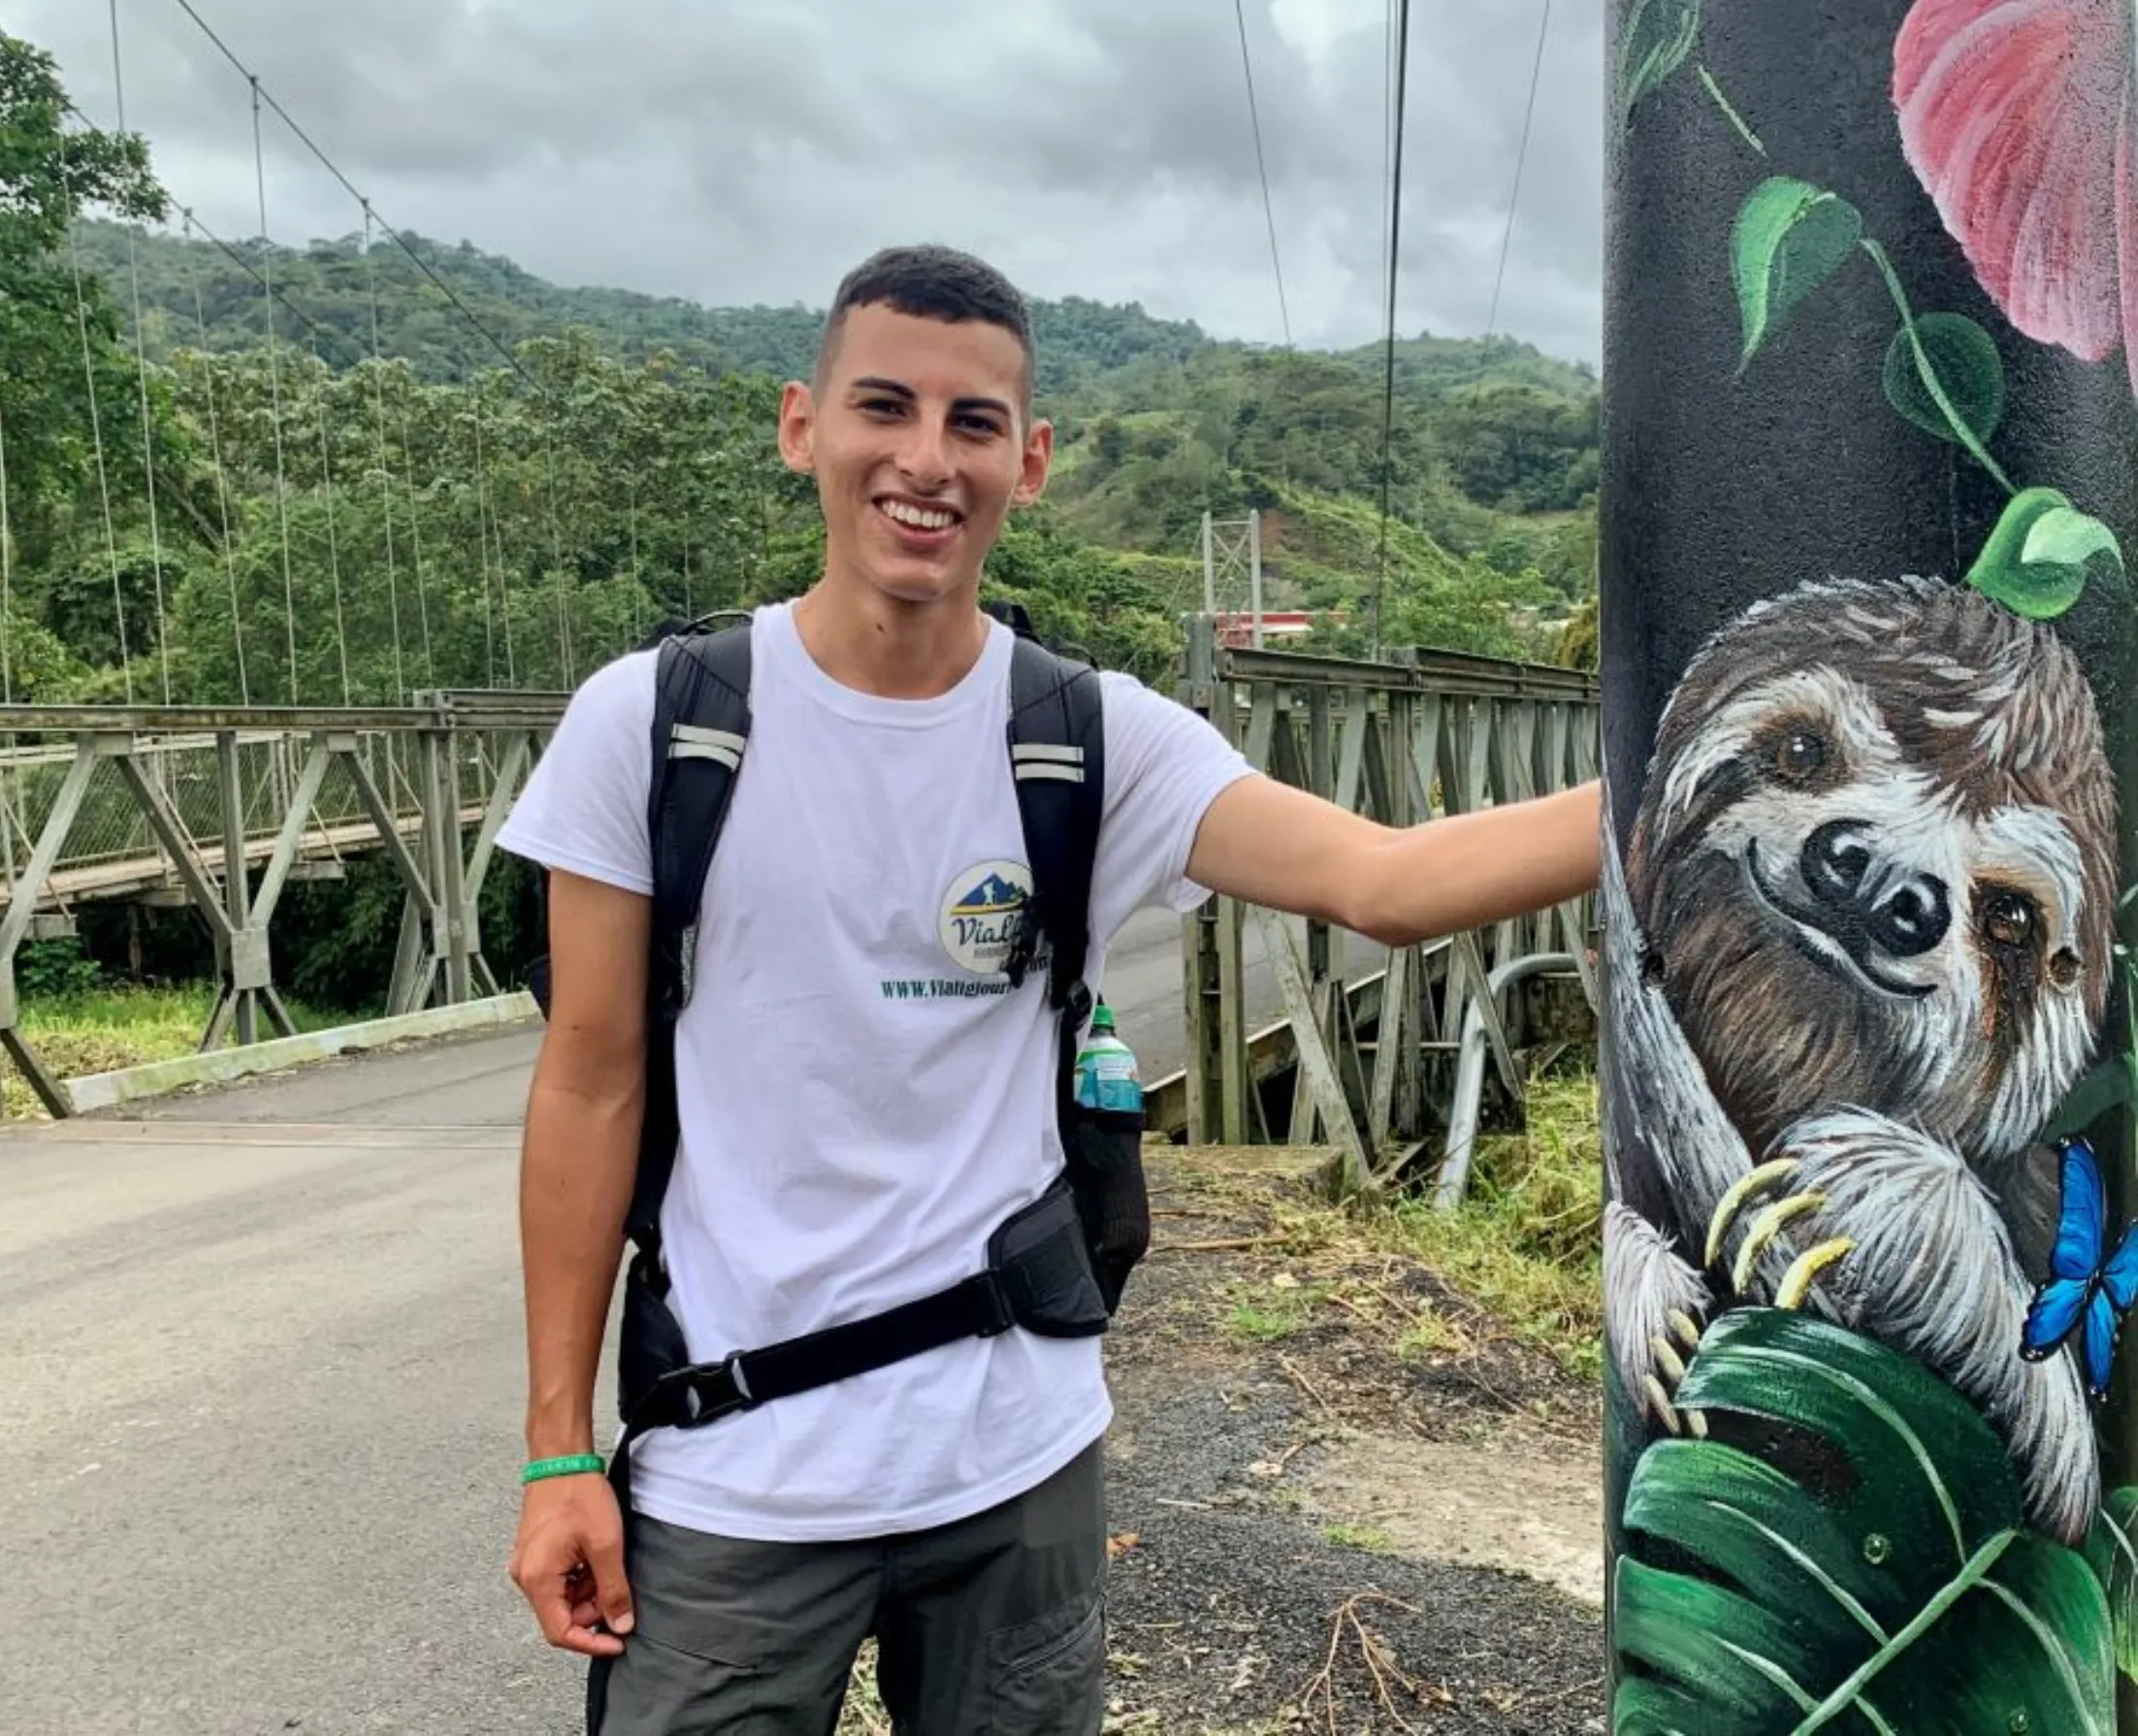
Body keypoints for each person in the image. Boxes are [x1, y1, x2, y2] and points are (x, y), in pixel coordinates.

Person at [494, 242, 1600, 1734]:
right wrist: (561, 1447)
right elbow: (590, 1078)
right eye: (884, 407)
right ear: (799, 424)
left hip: (1013, 1463)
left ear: (1034, 460)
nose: (925, 460)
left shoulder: (1087, 735)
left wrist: (1704, 781)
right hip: (733, 1467)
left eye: (973, 424)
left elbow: (1381, 883)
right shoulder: (657, 723)